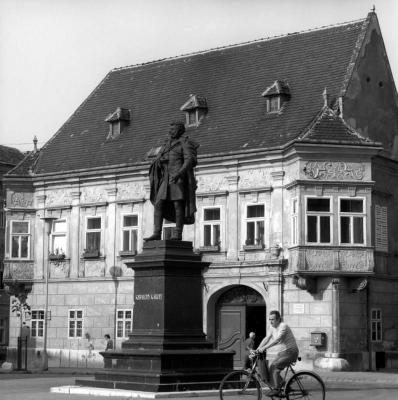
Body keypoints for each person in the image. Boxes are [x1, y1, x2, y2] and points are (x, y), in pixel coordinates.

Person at [144, 120, 199, 241]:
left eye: (172, 130)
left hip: (178, 178)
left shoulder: (185, 143)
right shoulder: (166, 145)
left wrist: (179, 174)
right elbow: (158, 159)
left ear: (179, 130)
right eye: (170, 129)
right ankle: (157, 233)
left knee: (178, 204)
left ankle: (177, 233)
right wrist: (160, 161)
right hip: (166, 178)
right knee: (158, 204)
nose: (170, 132)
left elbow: (190, 160)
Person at [254, 310, 299, 397]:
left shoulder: (283, 326)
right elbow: (266, 338)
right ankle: (284, 386)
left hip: (291, 351)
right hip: (283, 352)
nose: (271, 321)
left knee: (274, 366)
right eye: (269, 319)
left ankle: (277, 389)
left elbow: (277, 340)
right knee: (272, 367)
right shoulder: (272, 327)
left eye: (273, 319)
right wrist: (258, 349)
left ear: (278, 319)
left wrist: (264, 348)